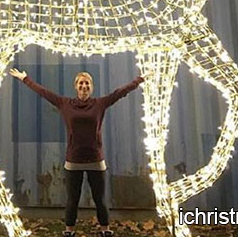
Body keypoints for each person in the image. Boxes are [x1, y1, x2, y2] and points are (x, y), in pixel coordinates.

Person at [9, 67, 144, 237]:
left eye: (87, 83)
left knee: (100, 200)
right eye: (81, 83)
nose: (84, 86)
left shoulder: (100, 104)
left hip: (96, 159)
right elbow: (44, 92)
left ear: (91, 86)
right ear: (76, 86)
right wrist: (25, 78)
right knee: (72, 200)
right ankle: (69, 231)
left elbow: (120, 92)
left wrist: (140, 79)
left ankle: (105, 230)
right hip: (73, 160)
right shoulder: (65, 104)